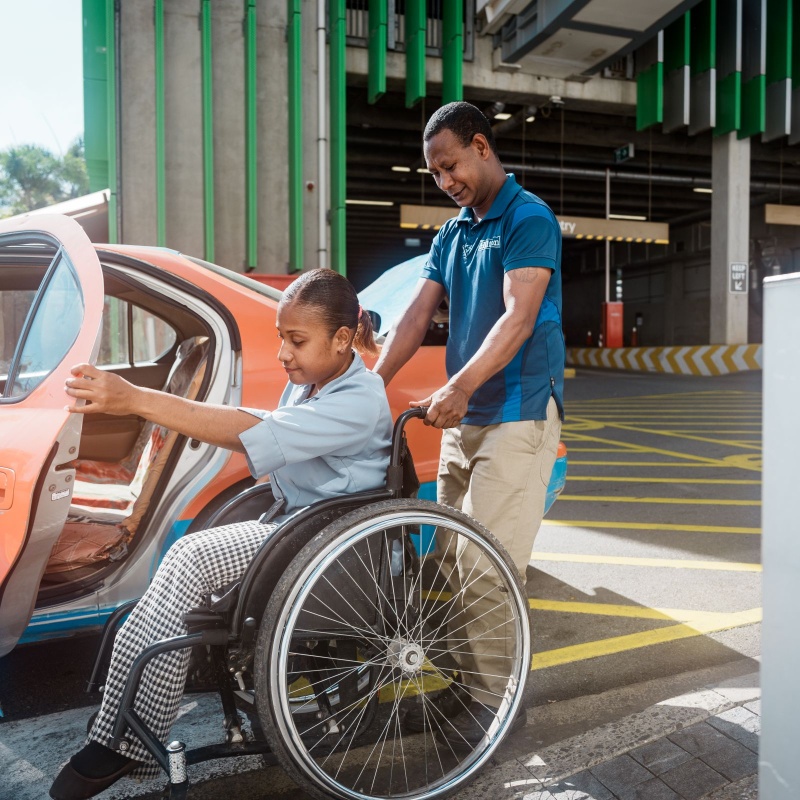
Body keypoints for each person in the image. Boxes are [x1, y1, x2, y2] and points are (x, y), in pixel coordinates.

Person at [50, 269, 393, 800]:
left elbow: (255, 432)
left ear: (343, 339)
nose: (283, 353)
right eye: (281, 337)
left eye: (296, 340)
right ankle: (120, 727)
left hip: (322, 543)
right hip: (294, 527)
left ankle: (127, 741)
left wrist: (139, 399)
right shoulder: (312, 382)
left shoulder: (359, 400)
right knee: (178, 569)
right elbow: (264, 422)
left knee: (189, 557)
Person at [374, 101, 564, 746]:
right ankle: (472, 688)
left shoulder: (528, 218)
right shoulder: (453, 233)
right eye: (434, 173)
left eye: (449, 165)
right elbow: (414, 316)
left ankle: (501, 710)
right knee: (453, 562)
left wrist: (459, 384)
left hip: (515, 411)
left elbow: (519, 316)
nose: (444, 180)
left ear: (481, 146)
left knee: (492, 569)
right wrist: (370, 386)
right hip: (467, 418)